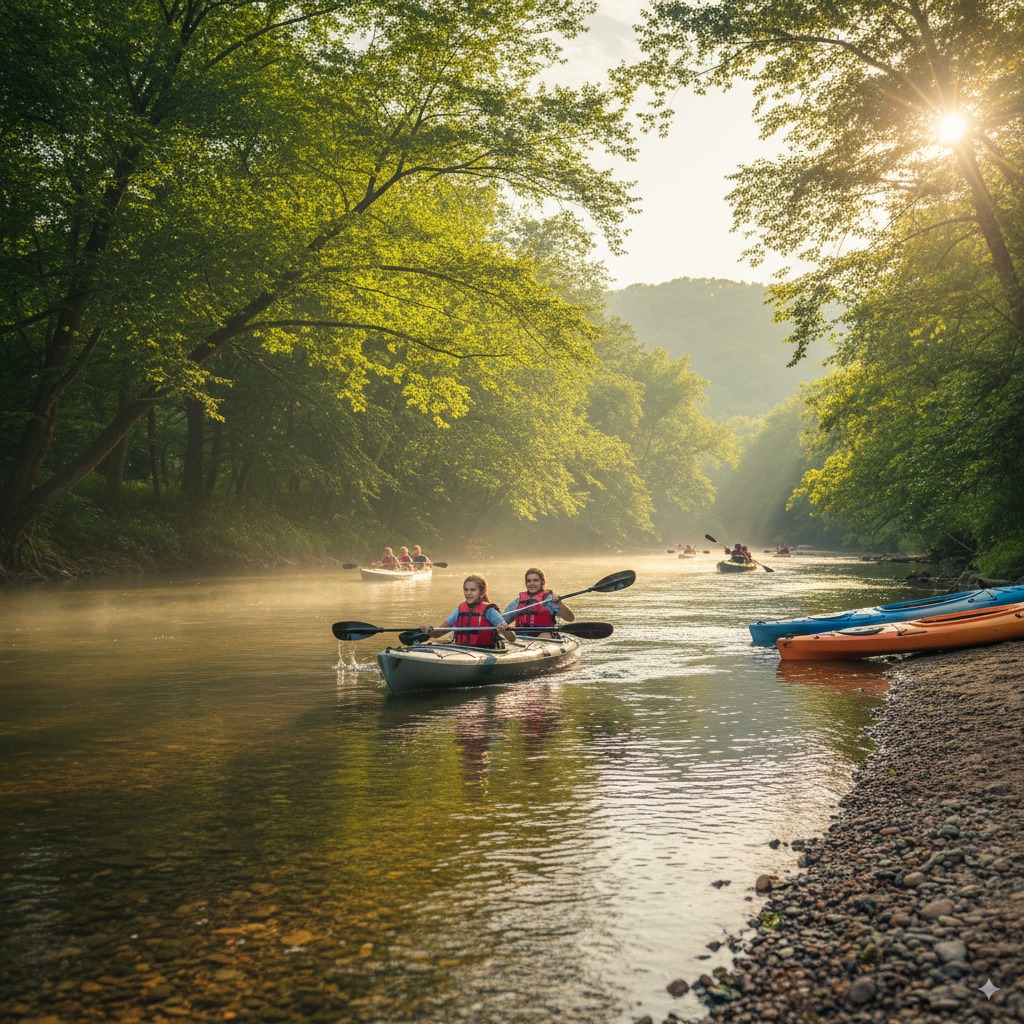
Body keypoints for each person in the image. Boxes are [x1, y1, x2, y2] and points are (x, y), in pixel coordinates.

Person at [420, 574, 515, 647]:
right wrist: (429, 631)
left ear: (482, 593)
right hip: (462, 650)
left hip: (485, 650)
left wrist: (505, 631)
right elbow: (439, 632)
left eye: (473, 590)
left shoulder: (489, 611)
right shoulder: (459, 611)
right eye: (466, 590)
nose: (468, 593)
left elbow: (512, 638)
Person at [503, 567, 576, 639]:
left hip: (546, 637)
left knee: (545, 635)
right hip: (521, 638)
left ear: (542, 582)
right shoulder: (518, 602)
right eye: (529, 581)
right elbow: (502, 621)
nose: (532, 583)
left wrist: (559, 603)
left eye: (535, 580)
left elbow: (570, 618)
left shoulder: (549, 600)